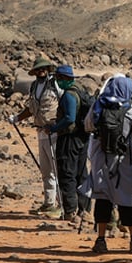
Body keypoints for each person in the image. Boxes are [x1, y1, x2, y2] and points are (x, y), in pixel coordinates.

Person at [82, 73, 132, 254]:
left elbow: (88, 126)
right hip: (126, 162)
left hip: (102, 160)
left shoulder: (98, 106)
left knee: (102, 199)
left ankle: (101, 239)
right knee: (129, 199)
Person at [8, 56, 62, 218]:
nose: (41, 71)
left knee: (57, 169)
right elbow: (31, 108)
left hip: (54, 132)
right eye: (38, 69)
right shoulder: (34, 87)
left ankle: (63, 205)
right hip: (40, 132)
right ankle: (49, 203)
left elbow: (65, 104)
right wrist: (17, 118)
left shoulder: (55, 85)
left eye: (44, 68)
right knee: (46, 170)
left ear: (48, 69)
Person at [45, 65, 91, 224]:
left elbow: (70, 118)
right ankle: (85, 210)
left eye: (58, 78)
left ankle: (71, 211)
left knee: (67, 174)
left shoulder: (69, 95)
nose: (56, 81)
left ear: (64, 78)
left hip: (70, 138)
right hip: (83, 138)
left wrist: (53, 128)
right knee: (81, 173)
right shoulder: (81, 90)